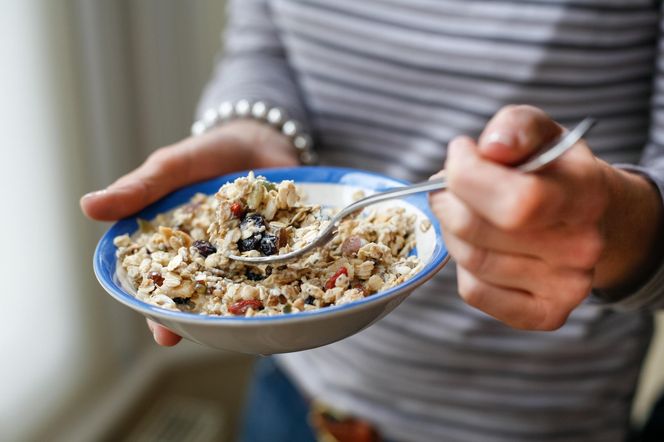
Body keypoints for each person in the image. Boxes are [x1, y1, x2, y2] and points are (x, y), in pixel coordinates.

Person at [81, 1, 664, 441]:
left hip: (532, 412)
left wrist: (626, 228)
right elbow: (263, 43)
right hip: (300, 387)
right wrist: (251, 128)